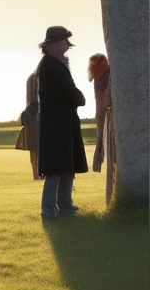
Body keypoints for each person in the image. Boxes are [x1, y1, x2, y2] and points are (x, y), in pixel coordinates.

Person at [37, 25, 87, 218]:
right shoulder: (50, 65)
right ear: (51, 44)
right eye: (63, 41)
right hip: (56, 125)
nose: (67, 45)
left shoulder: (55, 64)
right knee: (56, 169)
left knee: (67, 167)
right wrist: (78, 97)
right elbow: (70, 94)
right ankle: (48, 210)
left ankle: (65, 206)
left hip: (63, 123)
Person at [89, 53, 115, 205]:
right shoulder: (102, 77)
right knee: (101, 136)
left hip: (102, 112)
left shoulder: (96, 76)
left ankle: (99, 157)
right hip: (105, 112)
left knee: (101, 136)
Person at [15, 67, 41, 179]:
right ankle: (38, 176)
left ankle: (37, 176)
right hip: (37, 120)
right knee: (36, 151)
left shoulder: (31, 78)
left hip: (31, 119)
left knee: (34, 151)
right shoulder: (36, 79)